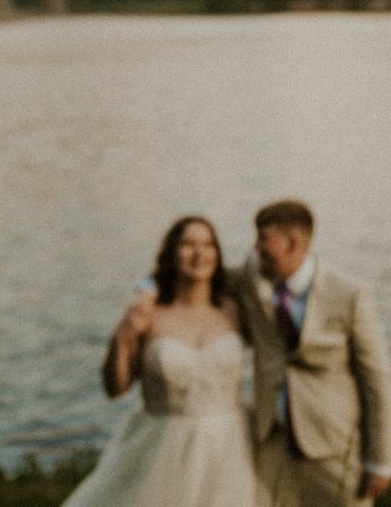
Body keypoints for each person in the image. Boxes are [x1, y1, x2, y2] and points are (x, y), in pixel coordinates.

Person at [61, 216, 256, 507]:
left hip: (229, 444)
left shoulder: (235, 311)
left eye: (208, 244)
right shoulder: (149, 314)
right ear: (172, 254)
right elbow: (115, 388)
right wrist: (124, 337)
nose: (199, 253)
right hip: (164, 443)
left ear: (217, 254)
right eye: (188, 244)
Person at [227, 199, 391, 507]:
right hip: (272, 444)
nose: (255, 248)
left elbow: (378, 380)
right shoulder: (252, 279)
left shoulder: (349, 295)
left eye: (263, 239)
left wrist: (381, 461)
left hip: (332, 445)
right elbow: (205, 278)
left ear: (292, 243)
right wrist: (150, 285)